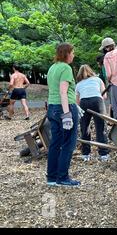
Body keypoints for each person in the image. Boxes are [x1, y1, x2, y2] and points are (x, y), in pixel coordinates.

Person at [46, 43, 80, 187]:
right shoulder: (66, 68)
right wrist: (67, 114)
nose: (73, 55)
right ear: (66, 53)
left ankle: (52, 177)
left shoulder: (52, 67)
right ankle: (63, 177)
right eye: (72, 52)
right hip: (64, 108)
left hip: (52, 107)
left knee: (55, 143)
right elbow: (63, 92)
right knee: (68, 143)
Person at [75, 64, 109, 161]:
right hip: (97, 100)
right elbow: (105, 96)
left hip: (84, 102)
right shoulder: (97, 80)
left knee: (84, 127)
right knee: (101, 127)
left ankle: (86, 154)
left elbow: (77, 102)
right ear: (91, 71)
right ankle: (103, 154)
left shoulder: (78, 84)